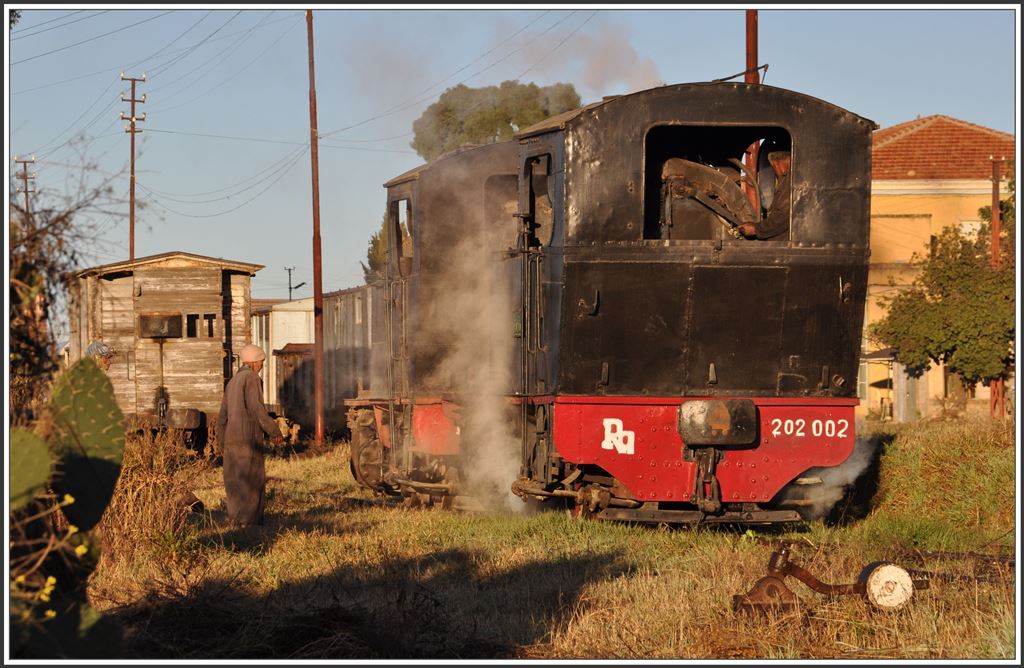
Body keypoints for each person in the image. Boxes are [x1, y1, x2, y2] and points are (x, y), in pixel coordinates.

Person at [216, 344, 283, 527]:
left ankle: (236, 520)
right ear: (253, 362)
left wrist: (222, 444)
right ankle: (250, 522)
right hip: (248, 440)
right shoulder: (252, 379)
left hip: (231, 440)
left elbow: (222, 417)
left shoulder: (231, 382)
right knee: (252, 479)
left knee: (234, 481)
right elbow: (257, 410)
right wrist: (274, 431)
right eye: (261, 362)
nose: (262, 366)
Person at [738, 150, 791, 240]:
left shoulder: (789, 179)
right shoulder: (794, 179)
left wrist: (756, 229)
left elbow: (785, 215)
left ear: (775, 164)